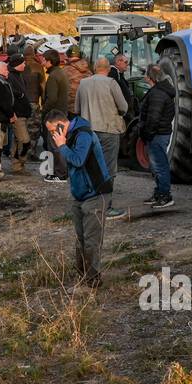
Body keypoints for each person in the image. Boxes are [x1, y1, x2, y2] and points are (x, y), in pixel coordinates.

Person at [45, 108, 112, 288]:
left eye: (53, 131)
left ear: (61, 126)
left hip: (96, 194)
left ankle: (93, 281)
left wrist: (62, 146)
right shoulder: (71, 135)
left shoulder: (84, 135)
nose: (52, 136)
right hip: (81, 195)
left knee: (91, 241)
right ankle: (83, 277)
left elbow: (78, 160)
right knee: (80, 239)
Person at [76, 56, 128, 215]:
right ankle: (106, 207)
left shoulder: (83, 83)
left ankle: (89, 203)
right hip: (108, 130)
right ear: (108, 68)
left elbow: (77, 109)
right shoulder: (111, 83)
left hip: (87, 132)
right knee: (108, 169)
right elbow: (123, 107)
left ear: (95, 67)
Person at [139, 63, 175, 209]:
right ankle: (159, 193)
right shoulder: (161, 91)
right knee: (157, 166)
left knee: (160, 166)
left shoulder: (157, 94)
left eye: (146, 75)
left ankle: (165, 195)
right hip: (160, 133)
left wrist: (147, 134)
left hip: (157, 134)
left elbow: (153, 117)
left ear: (150, 77)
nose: (144, 78)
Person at [40, 50, 70, 182]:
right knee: (59, 144)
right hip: (62, 113)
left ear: (50, 61)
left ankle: (60, 174)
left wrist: (43, 111)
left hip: (54, 116)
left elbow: (51, 98)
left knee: (55, 145)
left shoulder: (53, 76)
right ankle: (60, 172)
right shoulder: (61, 73)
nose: (42, 62)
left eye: (44, 60)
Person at [7, 53, 33, 171]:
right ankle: (20, 161)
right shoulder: (12, 77)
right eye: (23, 63)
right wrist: (21, 95)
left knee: (18, 140)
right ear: (17, 64)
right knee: (24, 140)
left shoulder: (18, 75)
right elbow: (12, 94)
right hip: (18, 114)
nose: (25, 64)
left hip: (22, 113)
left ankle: (17, 166)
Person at [61, 45, 92, 117]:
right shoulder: (88, 70)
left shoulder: (65, 70)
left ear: (68, 54)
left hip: (70, 108)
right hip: (85, 107)